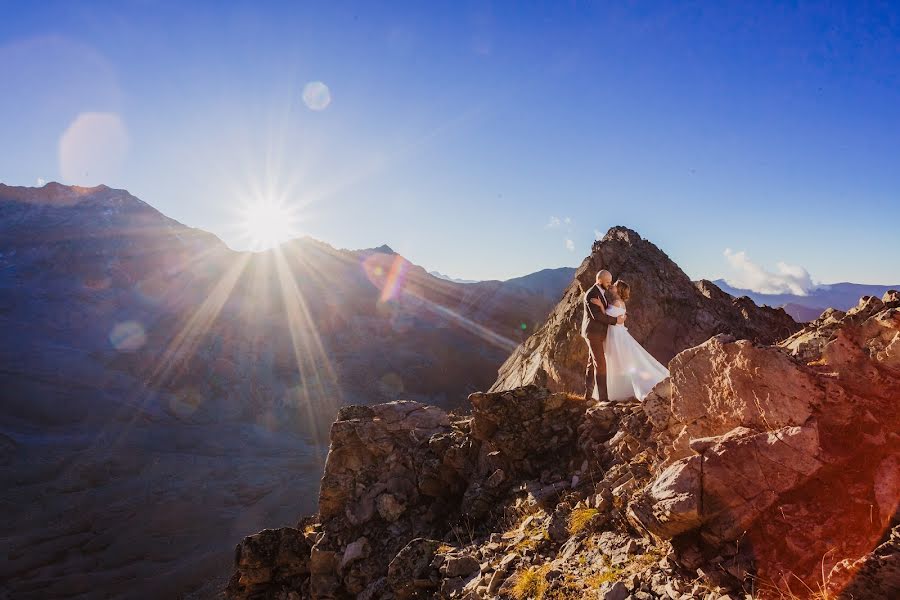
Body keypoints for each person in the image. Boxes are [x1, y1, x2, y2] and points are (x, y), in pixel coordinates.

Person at [602, 280, 669, 401]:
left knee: (619, 360)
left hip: (616, 335)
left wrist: (599, 305)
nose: (612, 286)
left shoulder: (617, 303)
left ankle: (622, 390)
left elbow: (605, 317)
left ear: (619, 290)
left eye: (615, 285)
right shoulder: (619, 302)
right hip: (618, 333)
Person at [581, 269, 626, 401]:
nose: (609, 284)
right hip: (593, 333)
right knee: (600, 364)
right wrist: (615, 321)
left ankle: (588, 395)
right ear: (599, 280)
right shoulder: (591, 294)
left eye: (610, 282)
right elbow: (597, 316)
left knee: (592, 363)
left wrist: (602, 305)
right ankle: (603, 399)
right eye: (607, 282)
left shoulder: (602, 293)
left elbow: (604, 311)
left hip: (599, 333)